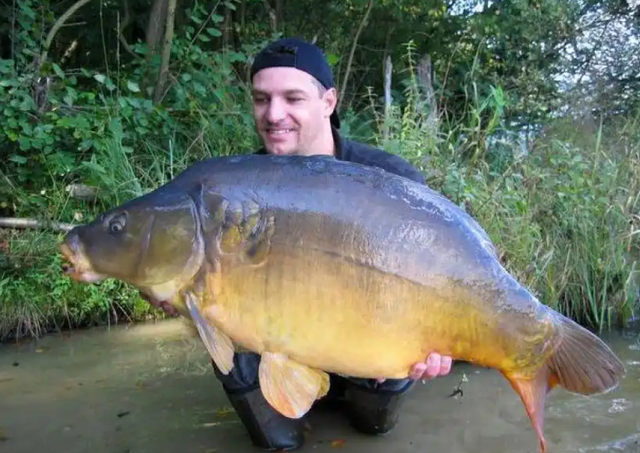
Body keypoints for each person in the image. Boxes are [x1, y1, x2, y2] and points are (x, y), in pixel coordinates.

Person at [149, 37, 453, 451]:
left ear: (329, 102)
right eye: (262, 99)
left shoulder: (389, 179)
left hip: (366, 341)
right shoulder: (237, 186)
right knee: (275, 441)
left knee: (373, 427)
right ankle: (287, 416)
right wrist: (180, 294)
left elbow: (436, 273)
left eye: (292, 98)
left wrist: (433, 343)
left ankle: (357, 395)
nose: (274, 114)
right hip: (278, 343)